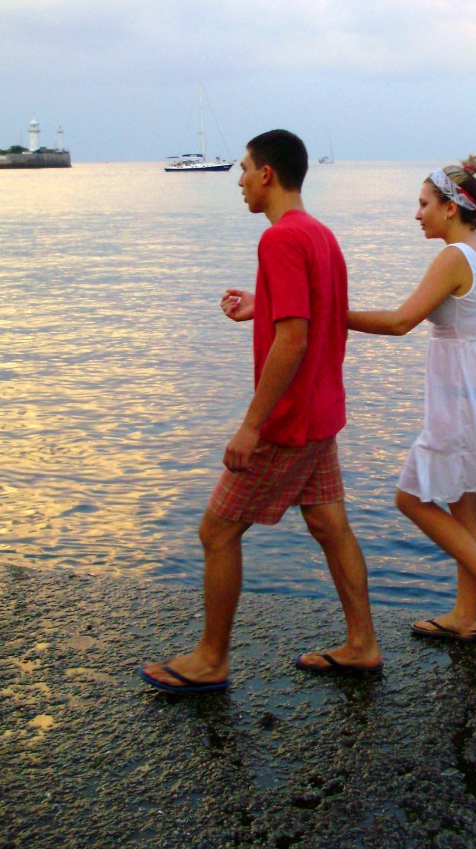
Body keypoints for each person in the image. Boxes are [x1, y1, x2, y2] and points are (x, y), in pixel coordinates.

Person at [140, 129, 382, 692]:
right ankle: (363, 644)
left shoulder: (279, 239)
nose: (241, 182)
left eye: (245, 170)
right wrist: (263, 304)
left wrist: (252, 425)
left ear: (267, 174)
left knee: (217, 532)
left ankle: (211, 659)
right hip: (322, 412)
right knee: (329, 524)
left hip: (287, 422)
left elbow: (293, 340)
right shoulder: (320, 235)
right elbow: (318, 312)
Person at [348, 155, 476, 642]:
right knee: (464, 505)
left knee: (410, 498)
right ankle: (464, 614)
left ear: (450, 207)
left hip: (461, 400)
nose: (417, 214)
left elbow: (400, 322)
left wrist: (329, 312)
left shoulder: (454, 257)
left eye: (424, 204)